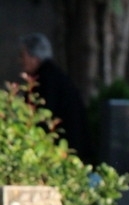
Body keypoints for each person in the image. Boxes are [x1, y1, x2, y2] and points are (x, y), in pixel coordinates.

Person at [19, 32, 91, 161]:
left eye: (23, 56)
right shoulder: (57, 77)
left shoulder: (43, 81)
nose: (21, 61)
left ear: (35, 58)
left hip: (60, 151)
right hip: (75, 149)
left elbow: (41, 118)